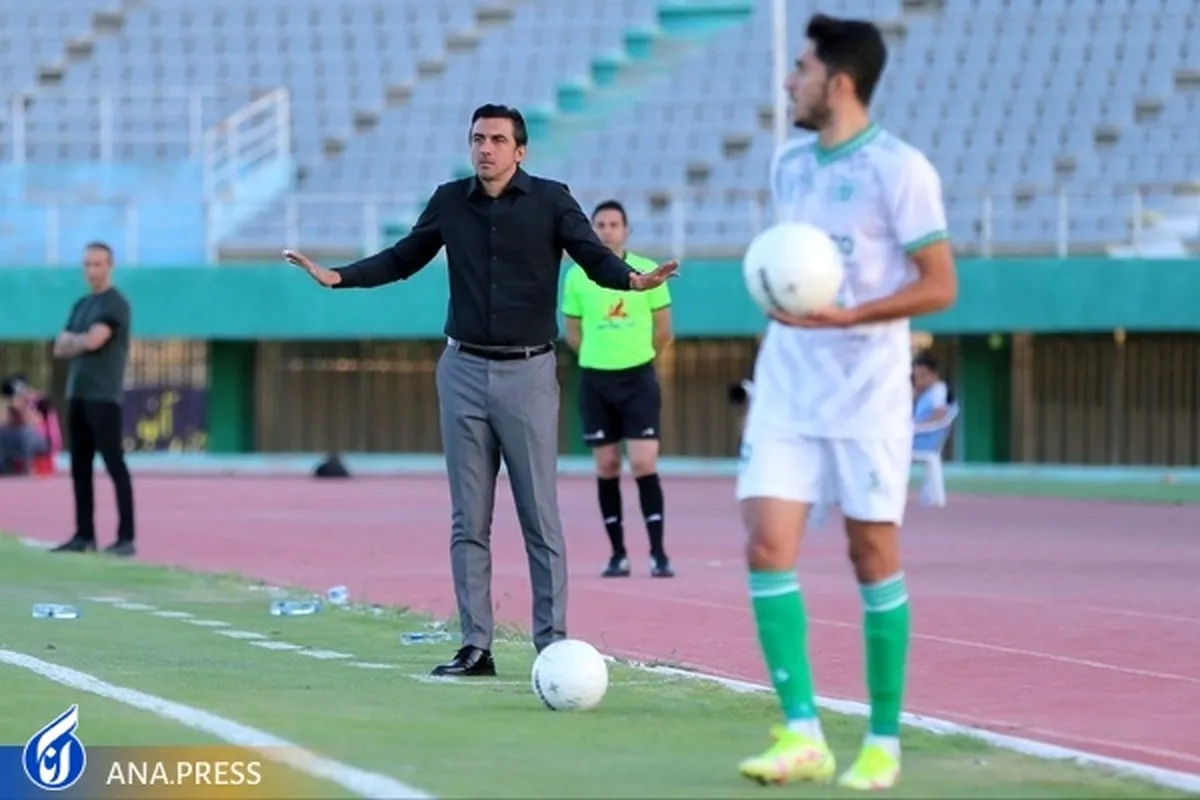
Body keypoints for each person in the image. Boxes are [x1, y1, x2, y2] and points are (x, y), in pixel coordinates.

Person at [283, 104, 679, 678]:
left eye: (496, 139)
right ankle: (476, 646)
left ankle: (552, 646)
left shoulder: (551, 199)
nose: (485, 148)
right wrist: (339, 276)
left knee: (539, 514)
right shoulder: (450, 201)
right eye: (477, 138)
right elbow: (403, 257)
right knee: (468, 517)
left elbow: (593, 258)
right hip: (462, 370)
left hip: (529, 373)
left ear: (520, 150)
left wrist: (633, 281)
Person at [734, 15, 957, 791]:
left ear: (839, 82)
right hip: (787, 386)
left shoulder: (901, 169)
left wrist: (849, 316)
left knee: (872, 557)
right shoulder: (789, 164)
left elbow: (941, 284)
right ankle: (802, 733)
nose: (788, 81)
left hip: (866, 396)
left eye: (800, 69)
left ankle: (883, 741)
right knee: (766, 545)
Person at [561, 199, 675, 579]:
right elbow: (572, 332)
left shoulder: (647, 270)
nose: (607, 230)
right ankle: (617, 553)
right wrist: (598, 356)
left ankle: (658, 553)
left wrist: (640, 357)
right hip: (596, 380)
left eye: (614, 224)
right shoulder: (576, 276)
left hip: (638, 378)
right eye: (600, 224)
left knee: (643, 463)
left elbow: (664, 330)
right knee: (607, 465)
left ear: (626, 230)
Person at [50, 242, 137, 557]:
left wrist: (76, 340)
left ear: (109, 266)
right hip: (78, 392)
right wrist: (79, 340)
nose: (91, 270)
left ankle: (126, 537)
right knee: (80, 465)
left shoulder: (115, 304)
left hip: (104, 395)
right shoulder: (82, 304)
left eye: (97, 264)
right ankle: (84, 534)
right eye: (87, 264)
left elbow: (95, 340)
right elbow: (59, 347)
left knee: (114, 463)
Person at [0, 376, 50, 476]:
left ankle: (27, 468)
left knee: (26, 434)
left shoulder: (35, 402)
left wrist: (21, 413)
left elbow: (37, 420)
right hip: (12, 435)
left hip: (37, 439)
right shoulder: (6, 404)